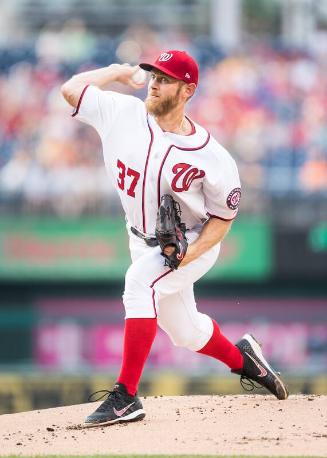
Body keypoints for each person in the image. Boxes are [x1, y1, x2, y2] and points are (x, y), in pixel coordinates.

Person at [61, 49, 288, 426]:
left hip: (190, 245)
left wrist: (192, 253)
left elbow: (223, 218)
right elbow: (71, 89)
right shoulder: (123, 113)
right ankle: (247, 361)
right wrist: (116, 71)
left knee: (139, 285)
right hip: (141, 240)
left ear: (187, 90)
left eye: (165, 79)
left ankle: (125, 397)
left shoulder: (213, 157)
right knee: (186, 332)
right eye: (153, 75)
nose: (154, 83)